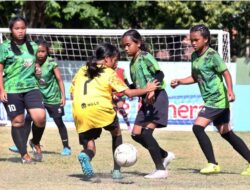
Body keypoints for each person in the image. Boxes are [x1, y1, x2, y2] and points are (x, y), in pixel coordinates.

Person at [70, 43, 160, 179]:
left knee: (90, 146)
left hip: (80, 111)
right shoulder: (109, 72)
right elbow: (128, 93)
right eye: (115, 60)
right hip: (101, 109)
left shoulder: (82, 69)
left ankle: (86, 155)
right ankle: (117, 170)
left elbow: (73, 93)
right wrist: (148, 89)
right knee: (116, 133)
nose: (116, 64)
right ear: (107, 59)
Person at [171, 24, 250, 175]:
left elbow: (226, 73)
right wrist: (180, 81)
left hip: (217, 99)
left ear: (206, 40)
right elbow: (196, 77)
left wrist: (231, 92)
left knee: (197, 127)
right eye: (191, 40)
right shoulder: (195, 56)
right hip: (211, 100)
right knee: (226, 133)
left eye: (196, 40)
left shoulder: (212, 55)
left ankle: (213, 164)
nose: (193, 43)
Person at [121, 29, 175, 179]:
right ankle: (164, 155)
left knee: (146, 132)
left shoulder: (145, 56)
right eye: (123, 46)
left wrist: (152, 89)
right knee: (136, 134)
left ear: (138, 43)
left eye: (128, 45)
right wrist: (122, 90)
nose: (125, 48)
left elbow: (159, 74)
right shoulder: (132, 63)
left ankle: (160, 169)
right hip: (145, 101)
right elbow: (137, 85)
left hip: (157, 97)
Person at [9, 39, 71, 156]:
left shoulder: (51, 62)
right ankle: (22, 144)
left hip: (53, 97)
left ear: (47, 51)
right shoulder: (30, 63)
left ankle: (66, 147)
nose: (40, 54)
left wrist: (63, 96)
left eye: (43, 51)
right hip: (38, 97)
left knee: (59, 122)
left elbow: (59, 80)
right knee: (28, 119)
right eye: (38, 51)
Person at [0, 16, 46, 163]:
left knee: (40, 118)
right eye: (16, 28)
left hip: (31, 87)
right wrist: (1, 90)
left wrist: (37, 70)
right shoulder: (4, 47)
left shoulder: (33, 45)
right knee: (18, 122)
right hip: (12, 89)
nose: (20, 31)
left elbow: (35, 65)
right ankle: (24, 154)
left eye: (22, 28)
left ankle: (35, 141)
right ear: (11, 30)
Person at [112, 66, 131, 130]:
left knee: (120, 108)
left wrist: (129, 93)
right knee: (114, 110)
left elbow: (126, 81)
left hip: (121, 93)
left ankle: (128, 125)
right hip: (112, 94)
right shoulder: (108, 71)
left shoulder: (121, 70)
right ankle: (116, 127)